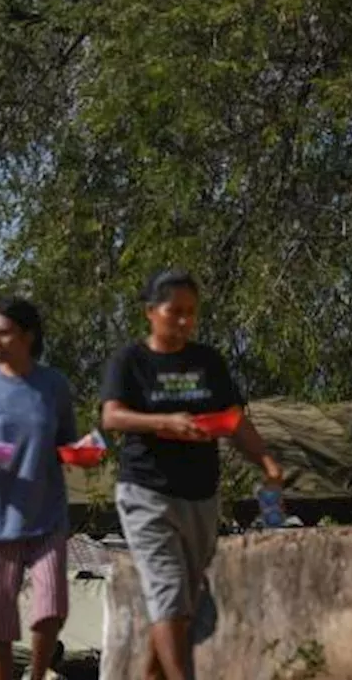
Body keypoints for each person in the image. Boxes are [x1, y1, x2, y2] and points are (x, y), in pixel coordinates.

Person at [100, 269, 283, 680]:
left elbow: (233, 422)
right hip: (147, 491)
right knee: (167, 591)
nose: (184, 321)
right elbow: (111, 416)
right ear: (151, 312)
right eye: (174, 312)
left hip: (200, 494)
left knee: (184, 599)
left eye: (191, 313)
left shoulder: (208, 362)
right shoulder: (130, 361)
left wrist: (266, 460)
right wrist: (163, 422)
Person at [0, 297, 78, 680]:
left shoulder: (53, 386)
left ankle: (39, 674)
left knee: (51, 604)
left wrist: (83, 454)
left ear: (28, 336)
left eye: (4, 333)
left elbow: (67, 446)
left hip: (46, 512)